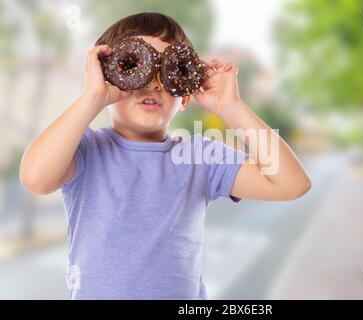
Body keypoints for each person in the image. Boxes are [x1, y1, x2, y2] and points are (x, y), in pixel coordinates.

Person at [19, 12, 311, 299]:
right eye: (134, 67)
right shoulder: (85, 149)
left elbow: (291, 184)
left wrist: (232, 108)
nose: (155, 82)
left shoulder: (201, 157)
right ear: (106, 79)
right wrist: (91, 97)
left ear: (184, 94)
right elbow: (35, 178)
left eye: (168, 72)